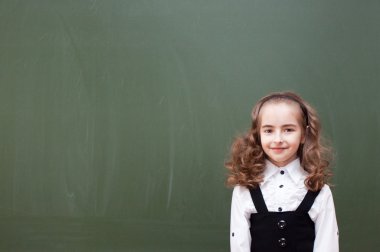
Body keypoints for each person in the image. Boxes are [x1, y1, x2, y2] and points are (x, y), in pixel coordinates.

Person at [225, 91, 339, 252]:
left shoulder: (320, 190)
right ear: (258, 135)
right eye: (269, 130)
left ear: (304, 135)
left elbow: (327, 245)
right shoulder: (243, 190)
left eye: (288, 130)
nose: (278, 139)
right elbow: (239, 246)